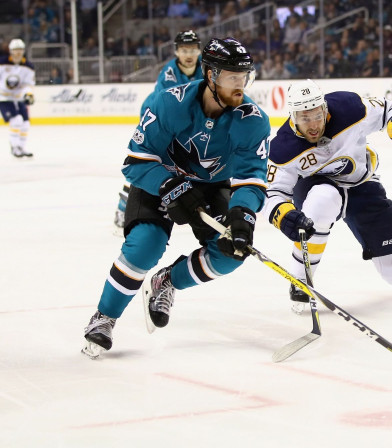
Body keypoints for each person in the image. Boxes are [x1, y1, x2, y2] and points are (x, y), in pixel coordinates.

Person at [82, 37, 270, 359]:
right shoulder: (170, 103)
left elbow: (251, 179)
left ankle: (167, 281)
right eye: (232, 78)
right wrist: (169, 185)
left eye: (244, 77)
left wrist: (244, 213)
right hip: (161, 180)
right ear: (210, 75)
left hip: (212, 186)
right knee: (145, 246)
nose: (241, 86)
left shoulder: (253, 121)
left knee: (230, 254)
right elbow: (136, 161)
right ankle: (104, 317)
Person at [264, 79, 392, 312]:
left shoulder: (348, 107)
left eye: (317, 116)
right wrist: (284, 215)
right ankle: (300, 279)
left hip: (362, 184)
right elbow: (273, 192)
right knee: (323, 199)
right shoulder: (283, 149)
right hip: (315, 186)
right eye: (305, 118)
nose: (313, 125)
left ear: (325, 109)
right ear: (293, 117)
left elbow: (387, 109)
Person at [114, 30, 204, 229]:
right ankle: (123, 208)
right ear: (177, 52)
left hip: (184, 124)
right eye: (184, 50)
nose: (188, 55)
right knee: (147, 164)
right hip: (158, 120)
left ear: (199, 51)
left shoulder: (205, 69)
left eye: (192, 50)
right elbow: (167, 108)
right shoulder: (168, 74)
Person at [0, 39, 35, 158]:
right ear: (10, 51)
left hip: (18, 98)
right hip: (3, 98)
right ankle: (14, 147)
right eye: (15, 50)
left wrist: (28, 94)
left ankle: (21, 147)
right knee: (16, 120)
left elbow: (28, 84)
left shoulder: (28, 66)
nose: (18, 52)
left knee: (25, 123)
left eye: (20, 50)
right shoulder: (2, 63)